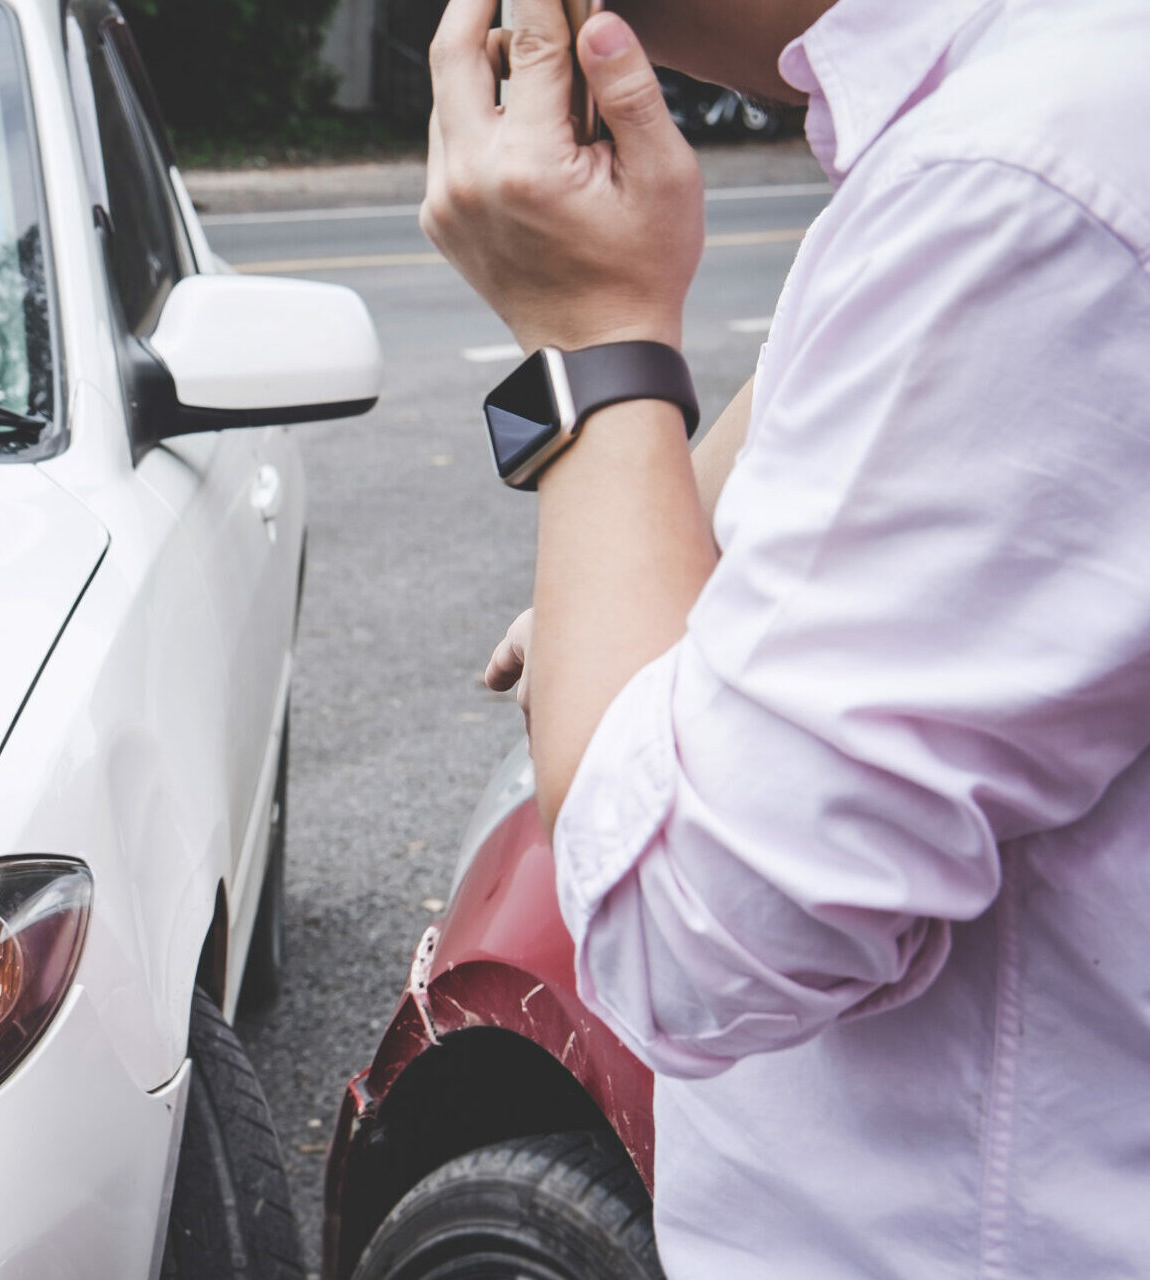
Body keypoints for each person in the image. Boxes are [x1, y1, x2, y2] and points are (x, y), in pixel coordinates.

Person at [425, 0, 1150, 1272]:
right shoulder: (987, 131)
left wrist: (584, 335)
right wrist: (607, 520)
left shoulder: (1020, 184)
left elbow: (687, 944)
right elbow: (765, 460)